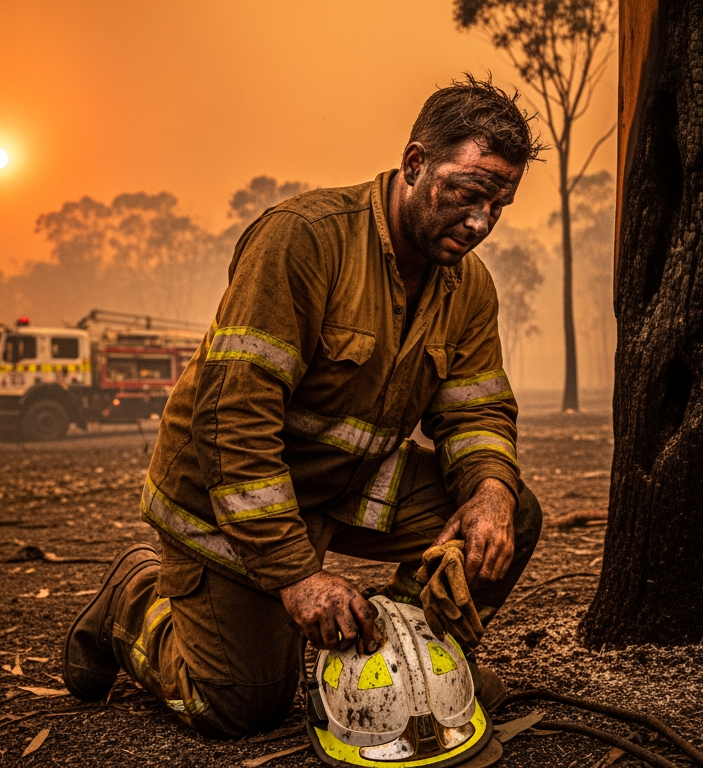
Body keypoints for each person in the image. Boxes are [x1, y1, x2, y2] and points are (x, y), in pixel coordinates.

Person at [63, 76, 544, 738]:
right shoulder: (304, 240)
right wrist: (296, 576)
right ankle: (134, 601)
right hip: (229, 500)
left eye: (499, 205)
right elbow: (232, 422)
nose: (481, 222)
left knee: (510, 510)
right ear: (414, 164)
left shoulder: (469, 287)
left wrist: (489, 490)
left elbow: (476, 409)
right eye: (467, 196)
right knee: (238, 706)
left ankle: (415, 663)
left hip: (345, 485)